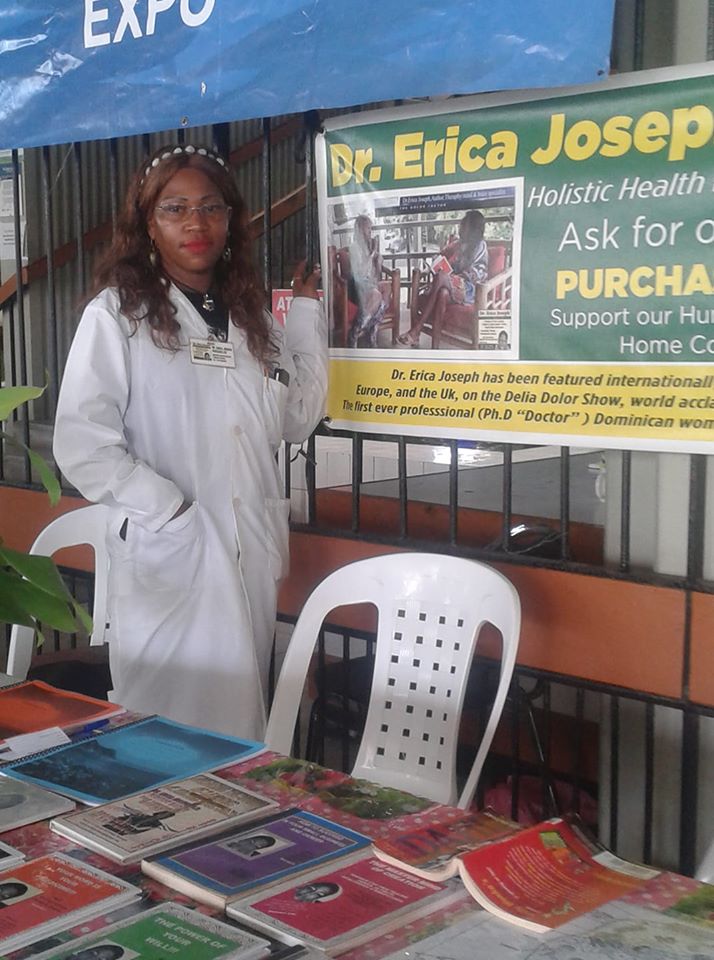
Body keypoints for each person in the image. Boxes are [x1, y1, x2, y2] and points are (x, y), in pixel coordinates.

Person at [53, 144, 327, 740]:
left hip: (246, 551)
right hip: (168, 553)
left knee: (236, 733)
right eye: (175, 208)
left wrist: (306, 311)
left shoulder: (252, 319)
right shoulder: (118, 315)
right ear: (148, 224)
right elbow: (83, 443)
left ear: (230, 220)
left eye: (210, 207)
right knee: (161, 728)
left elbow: (297, 418)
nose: (195, 222)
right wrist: (171, 512)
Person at [397, 210, 489, 347]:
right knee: (442, 293)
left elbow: (478, 273)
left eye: (464, 225)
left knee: (441, 277)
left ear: (472, 228)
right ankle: (434, 345)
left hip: (468, 289)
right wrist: (438, 260)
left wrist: (454, 275)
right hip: (452, 285)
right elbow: (442, 255)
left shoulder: (480, 245)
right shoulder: (458, 244)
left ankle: (417, 329)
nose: (460, 227)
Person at [346, 215, 385, 348]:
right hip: (356, 287)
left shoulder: (367, 248)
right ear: (361, 229)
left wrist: (378, 263)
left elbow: (375, 277)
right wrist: (372, 255)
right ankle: (356, 331)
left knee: (386, 289)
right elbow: (359, 274)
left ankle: (372, 331)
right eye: (368, 228)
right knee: (377, 295)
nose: (370, 231)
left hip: (367, 284)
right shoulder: (354, 248)